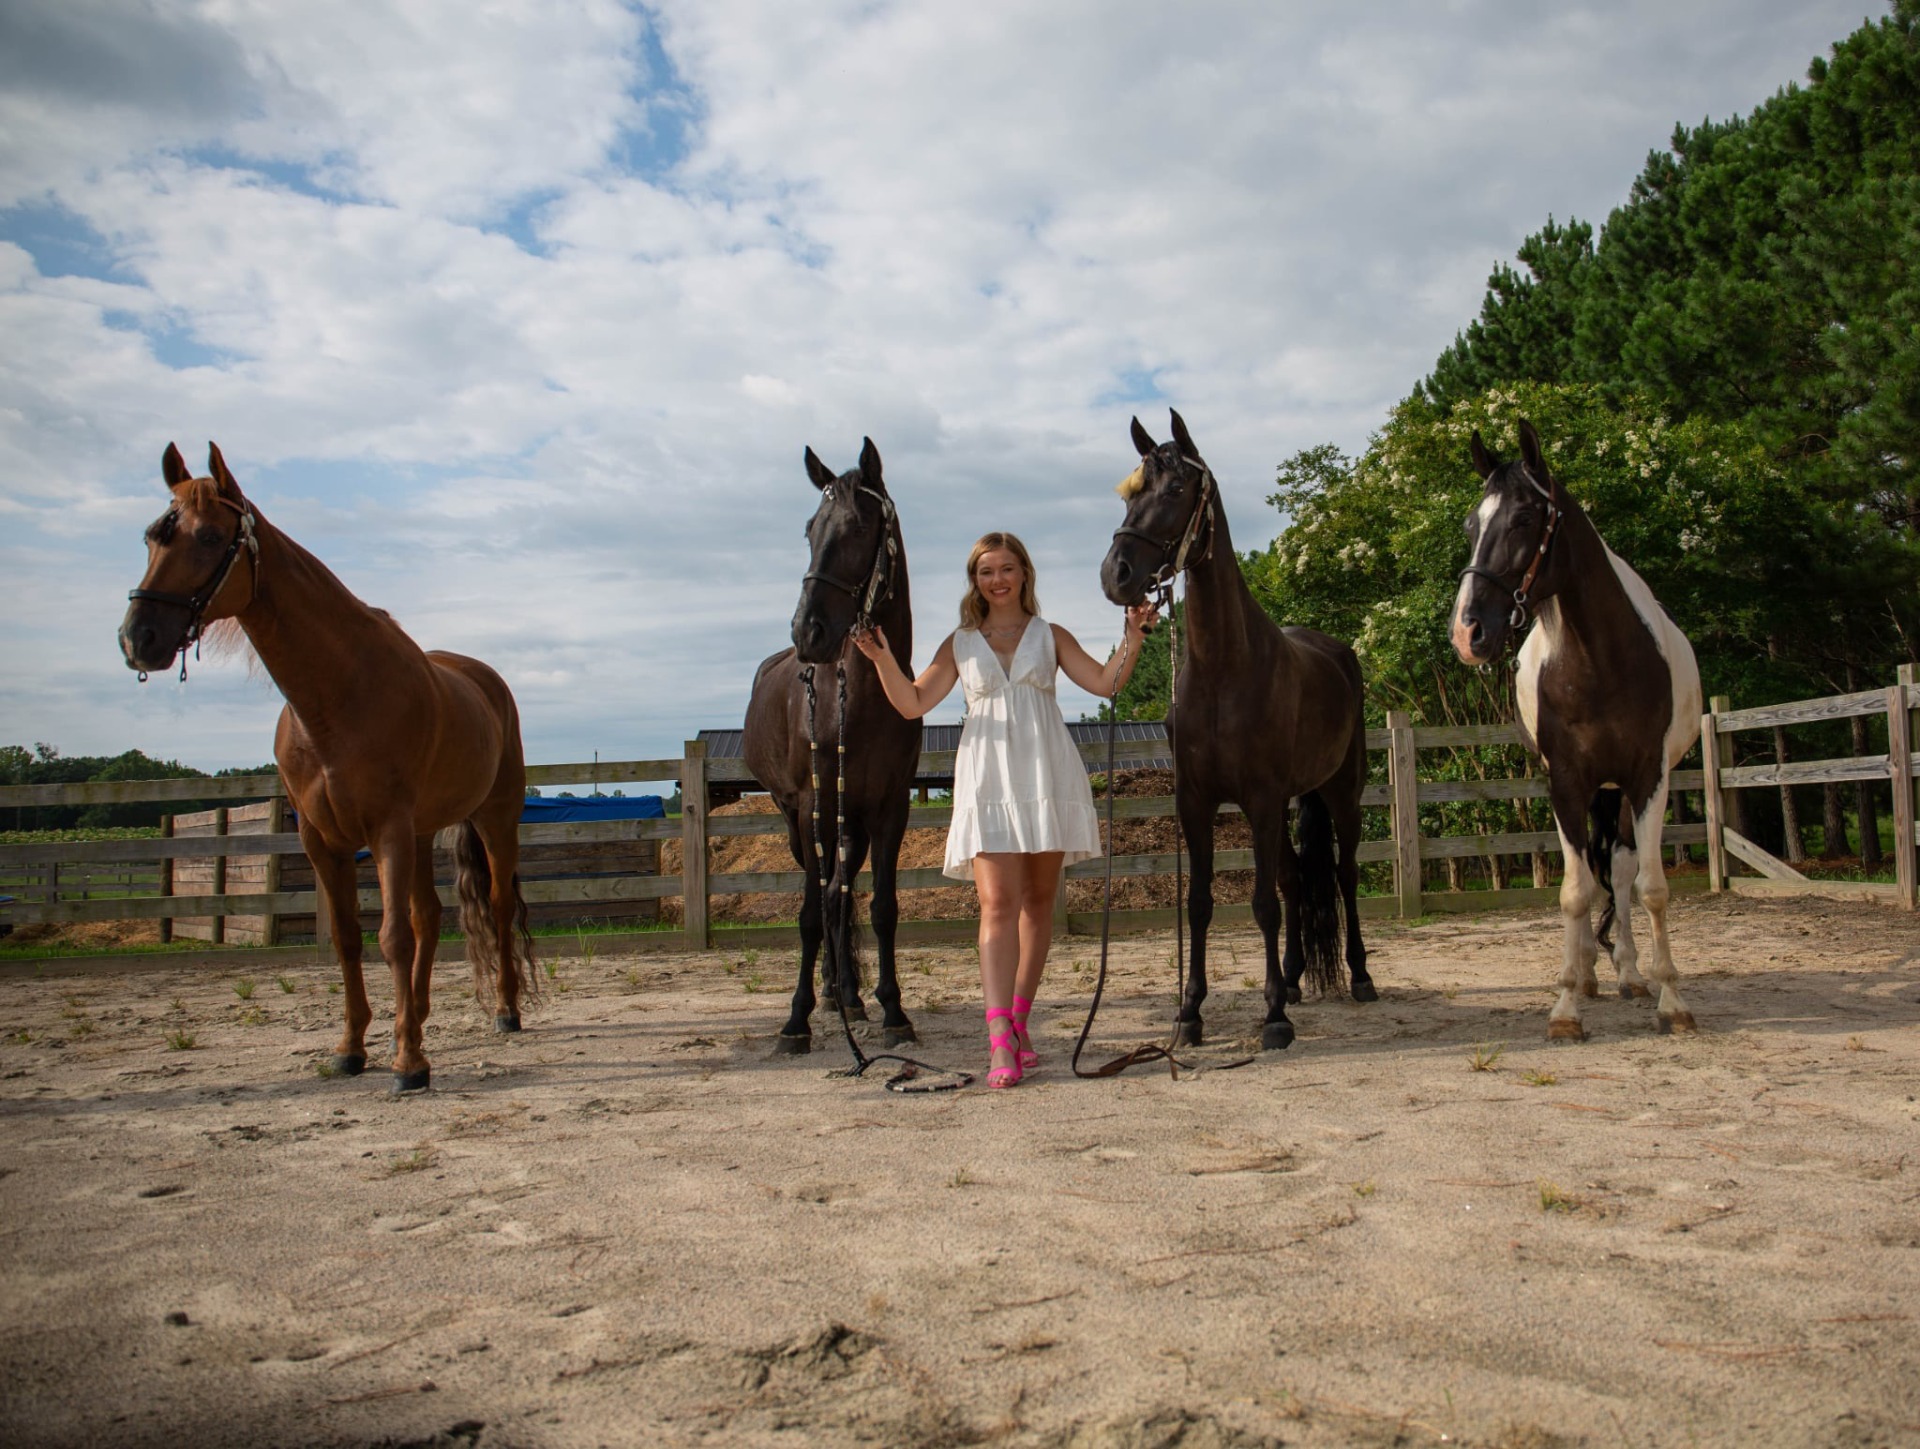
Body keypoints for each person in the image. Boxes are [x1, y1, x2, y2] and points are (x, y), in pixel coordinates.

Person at [853, 531, 1156, 1088]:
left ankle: (1019, 1020)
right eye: (986, 571)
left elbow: (1105, 682)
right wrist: (880, 658)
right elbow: (913, 702)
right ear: (976, 580)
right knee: (997, 903)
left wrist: (1132, 637)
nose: (998, 579)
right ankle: (997, 1040)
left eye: (1007, 568)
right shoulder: (960, 643)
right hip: (988, 780)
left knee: (1038, 903)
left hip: (1047, 772)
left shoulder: (1049, 634)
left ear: (1024, 574)